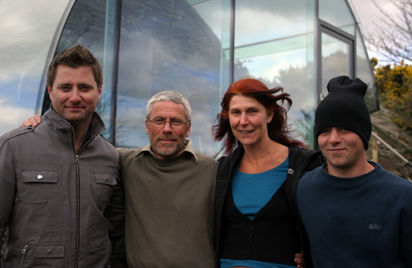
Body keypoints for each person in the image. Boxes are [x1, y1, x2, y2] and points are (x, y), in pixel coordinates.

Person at [0, 45, 125, 267]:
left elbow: (116, 234)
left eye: (84, 87)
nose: (75, 97)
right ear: (50, 91)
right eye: (65, 87)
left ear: (99, 91)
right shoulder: (13, 148)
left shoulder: (110, 157)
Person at [297, 75, 412, 267]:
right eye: (325, 131)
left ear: (363, 134)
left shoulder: (402, 197)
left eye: (344, 129)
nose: (333, 139)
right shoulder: (306, 188)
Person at [213, 78, 322, 268]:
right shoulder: (221, 170)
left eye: (252, 111)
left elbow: (329, 221)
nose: (243, 121)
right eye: (236, 113)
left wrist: (315, 254)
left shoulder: (304, 165)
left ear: (269, 115)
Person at [118, 90, 217, 267]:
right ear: (147, 126)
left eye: (176, 122)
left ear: (188, 129)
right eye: (159, 120)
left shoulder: (212, 171)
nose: (167, 129)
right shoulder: (125, 163)